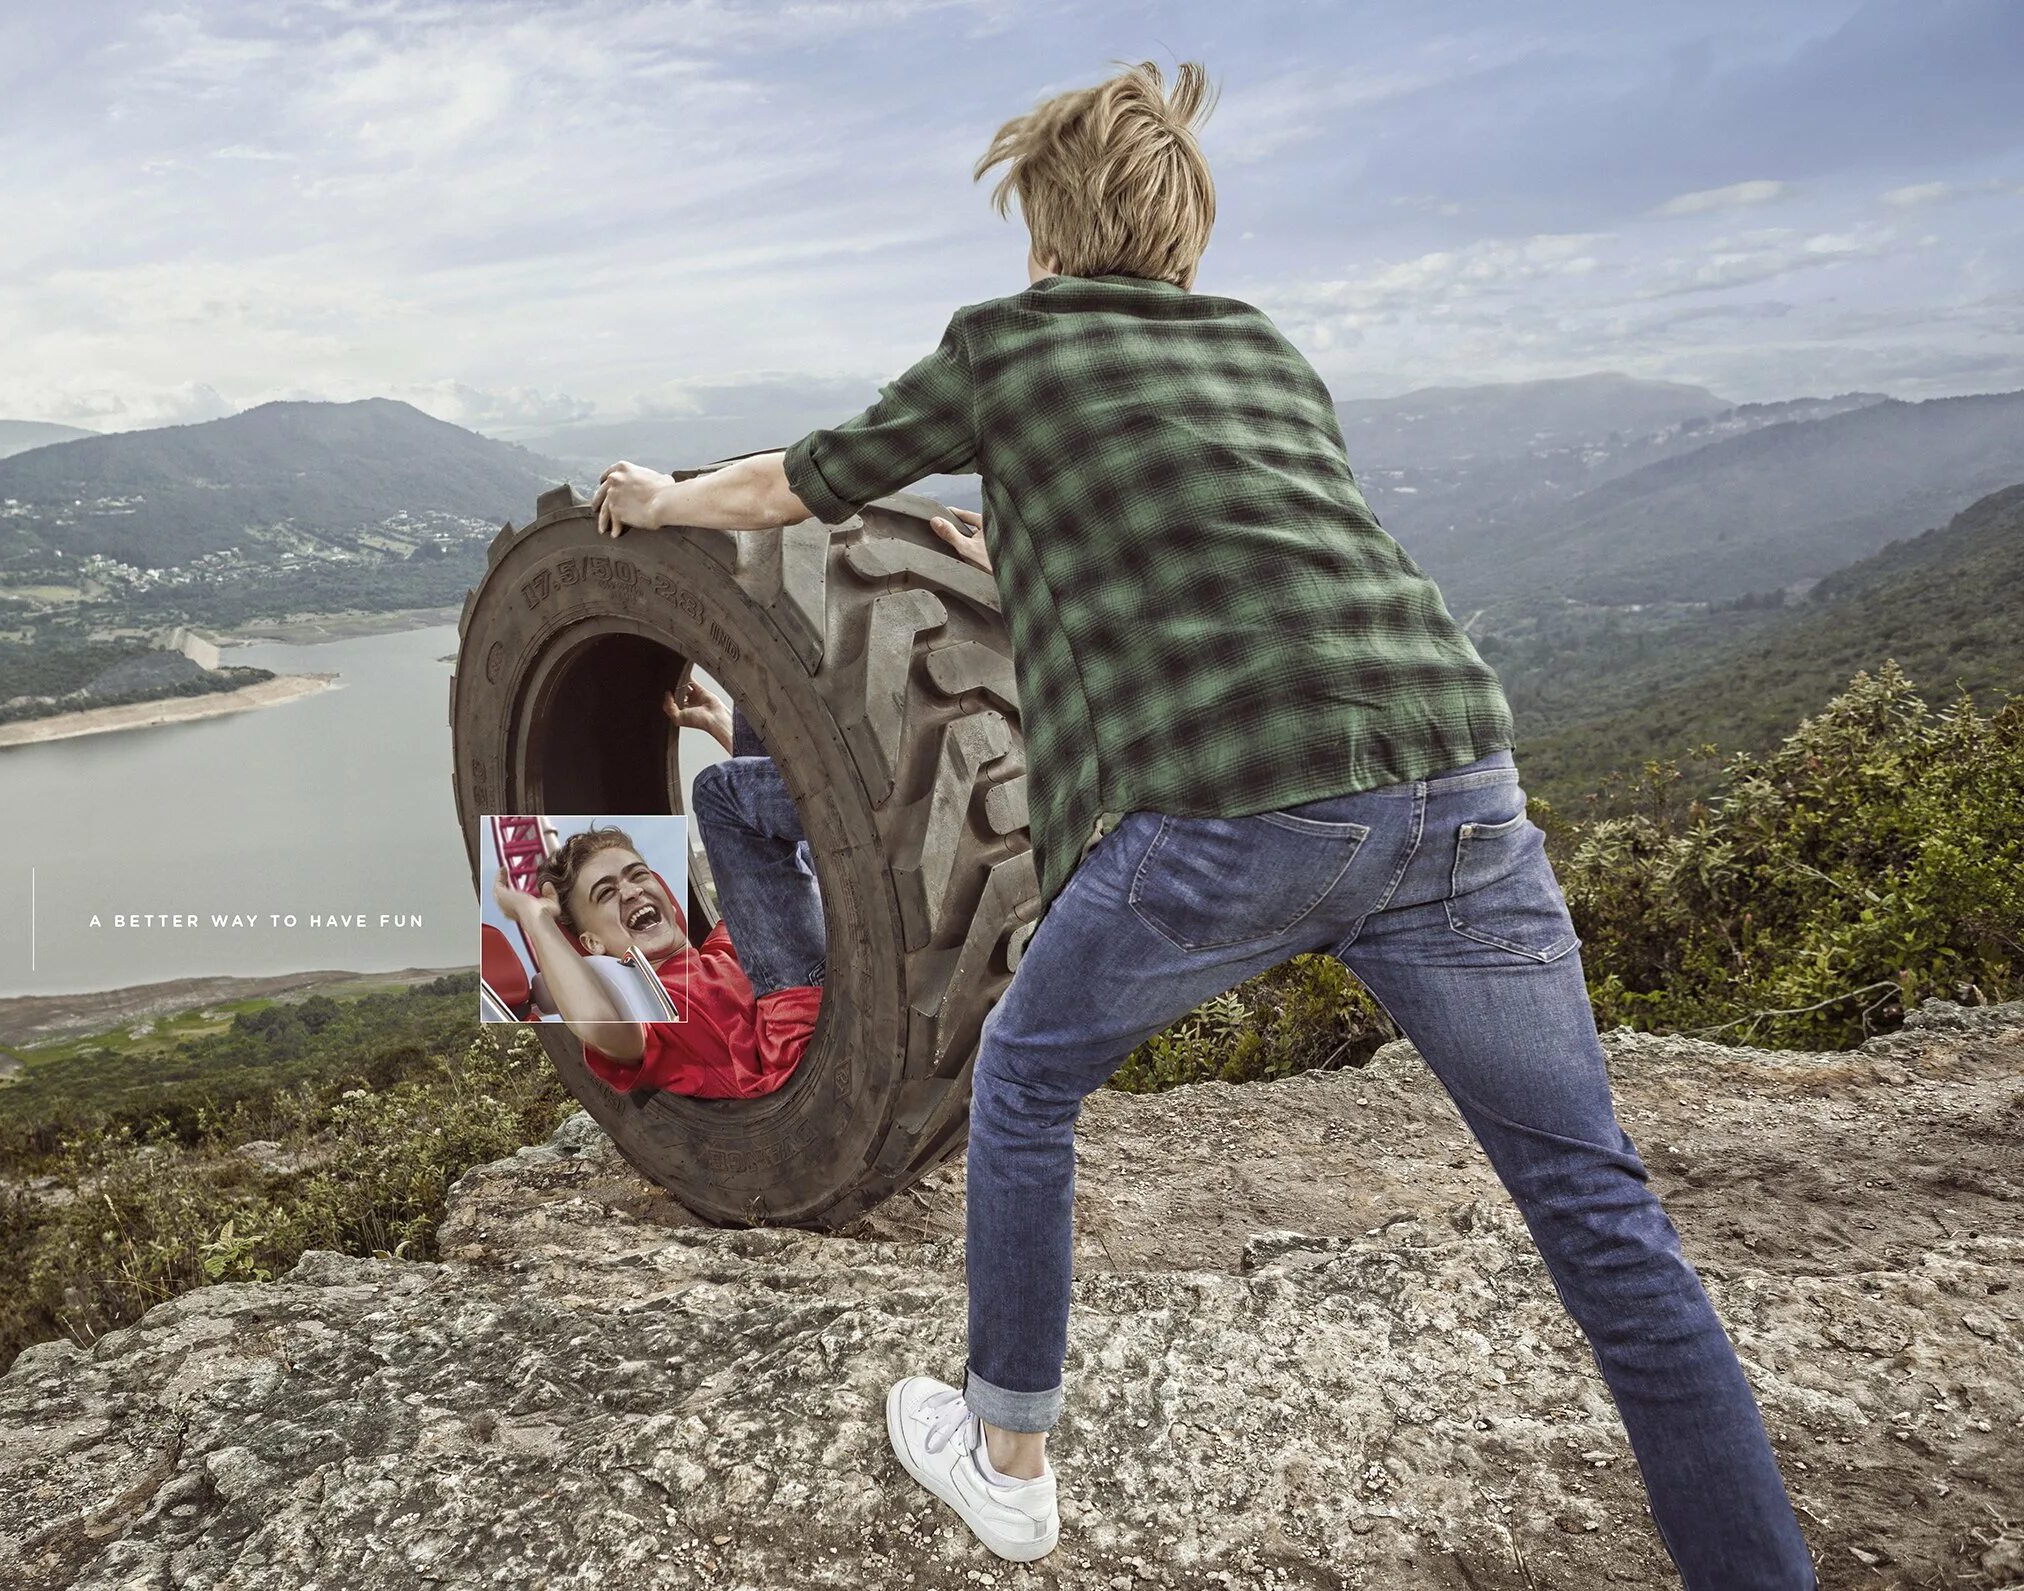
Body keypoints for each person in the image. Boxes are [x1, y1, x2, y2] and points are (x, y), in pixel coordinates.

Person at [586, 59, 1815, 1588]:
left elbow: (798, 482)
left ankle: (1009, 1457)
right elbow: (1236, 551)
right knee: (1598, 1208)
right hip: (1460, 787)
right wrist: (1014, 531)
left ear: (1043, 232)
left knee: (1026, 1079)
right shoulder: (1262, 351)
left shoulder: (1011, 343)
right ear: (1186, 238)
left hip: (1244, 815)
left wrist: (663, 493)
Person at [489, 687, 823, 1099]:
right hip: (797, 1038)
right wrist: (536, 918)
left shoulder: (721, 951)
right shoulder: (652, 1012)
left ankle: (860, 810)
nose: (631, 891)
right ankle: (868, 812)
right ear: (592, 942)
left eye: (637, 875)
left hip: (827, 969)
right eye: (606, 893)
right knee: (715, 793)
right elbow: (596, 1026)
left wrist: (720, 727)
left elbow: (777, 871)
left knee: (754, 715)